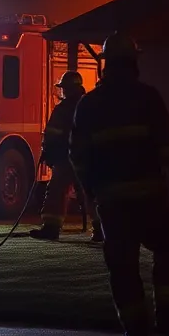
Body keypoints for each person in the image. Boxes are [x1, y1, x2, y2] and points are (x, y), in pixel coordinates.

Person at [70, 32, 169, 336]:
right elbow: (167, 143)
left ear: (106, 64)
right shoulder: (147, 98)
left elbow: (79, 156)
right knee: (168, 252)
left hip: (113, 202)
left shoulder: (89, 105)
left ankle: (135, 331)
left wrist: (89, 191)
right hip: (152, 198)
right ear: (133, 63)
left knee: (122, 266)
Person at [29, 71, 101, 242]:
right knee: (91, 193)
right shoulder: (89, 105)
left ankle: (51, 227)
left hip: (67, 158)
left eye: (65, 88)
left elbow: (52, 133)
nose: (63, 92)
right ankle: (101, 229)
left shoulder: (63, 109)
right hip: (86, 157)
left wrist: (48, 151)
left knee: (57, 190)